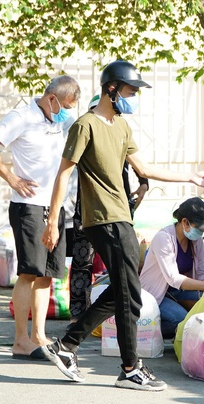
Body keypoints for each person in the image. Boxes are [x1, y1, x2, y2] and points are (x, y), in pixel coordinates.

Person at [41, 60, 204, 391]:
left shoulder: (121, 126)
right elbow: (63, 173)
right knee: (131, 292)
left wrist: (190, 176)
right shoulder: (85, 125)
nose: (133, 97)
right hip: (102, 219)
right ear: (112, 89)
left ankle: (67, 346)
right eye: (131, 91)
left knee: (125, 291)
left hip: (122, 217)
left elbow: (143, 168)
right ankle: (131, 368)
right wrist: (53, 220)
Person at [0, 75, 80, 360]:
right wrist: (10, 177)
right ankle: (21, 340)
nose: (68, 112)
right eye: (66, 106)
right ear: (51, 99)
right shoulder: (22, 116)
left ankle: (39, 335)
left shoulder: (59, 120)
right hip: (29, 206)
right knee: (30, 272)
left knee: (48, 275)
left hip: (55, 205)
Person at [67, 96, 150, 323]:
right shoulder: (87, 130)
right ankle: (78, 314)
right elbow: (66, 168)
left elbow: (137, 164)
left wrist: (144, 183)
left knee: (123, 268)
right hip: (90, 207)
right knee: (83, 261)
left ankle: (115, 315)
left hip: (121, 207)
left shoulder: (120, 129)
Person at [139, 197, 204, 339]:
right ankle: (141, 329)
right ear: (185, 222)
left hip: (178, 292)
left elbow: (201, 274)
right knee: (180, 320)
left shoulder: (196, 240)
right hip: (156, 295)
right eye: (198, 228)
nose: (200, 234)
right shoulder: (164, 238)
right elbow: (174, 279)